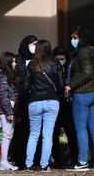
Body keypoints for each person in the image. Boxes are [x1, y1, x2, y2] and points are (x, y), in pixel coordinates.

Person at [65, 26, 94, 171]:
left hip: (83, 93)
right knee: (93, 127)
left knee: (81, 128)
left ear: (82, 38)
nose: (72, 40)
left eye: (75, 38)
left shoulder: (83, 52)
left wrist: (71, 85)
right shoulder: (93, 52)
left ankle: (83, 161)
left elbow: (87, 73)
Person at [25, 40, 63, 172]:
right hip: (52, 101)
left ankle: (29, 164)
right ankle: (44, 165)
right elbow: (60, 85)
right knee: (48, 135)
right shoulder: (55, 63)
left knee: (34, 134)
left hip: (34, 101)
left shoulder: (31, 64)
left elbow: (26, 85)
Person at [10, 35, 38, 169]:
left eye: (36, 44)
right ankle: (19, 159)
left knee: (34, 130)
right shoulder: (19, 58)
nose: (34, 46)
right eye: (32, 44)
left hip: (33, 98)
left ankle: (35, 160)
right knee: (21, 130)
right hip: (21, 99)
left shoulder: (38, 59)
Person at [51, 46, 78, 168]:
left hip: (67, 105)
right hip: (56, 103)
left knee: (71, 134)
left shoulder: (70, 68)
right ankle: (58, 161)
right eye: (57, 59)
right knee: (53, 134)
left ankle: (75, 159)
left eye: (62, 59)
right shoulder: (51, 68)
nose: (60, 61)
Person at [0, 52, 19, 171]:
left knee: (9, 134)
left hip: (9, 110)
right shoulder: (3, 77)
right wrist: (9, 112)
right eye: (13, 61)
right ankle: (3, 162)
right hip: (5, 111)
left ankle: (2, 160)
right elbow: (4, 96)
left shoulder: (8, 75)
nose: (15, 64)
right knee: (7, 135)